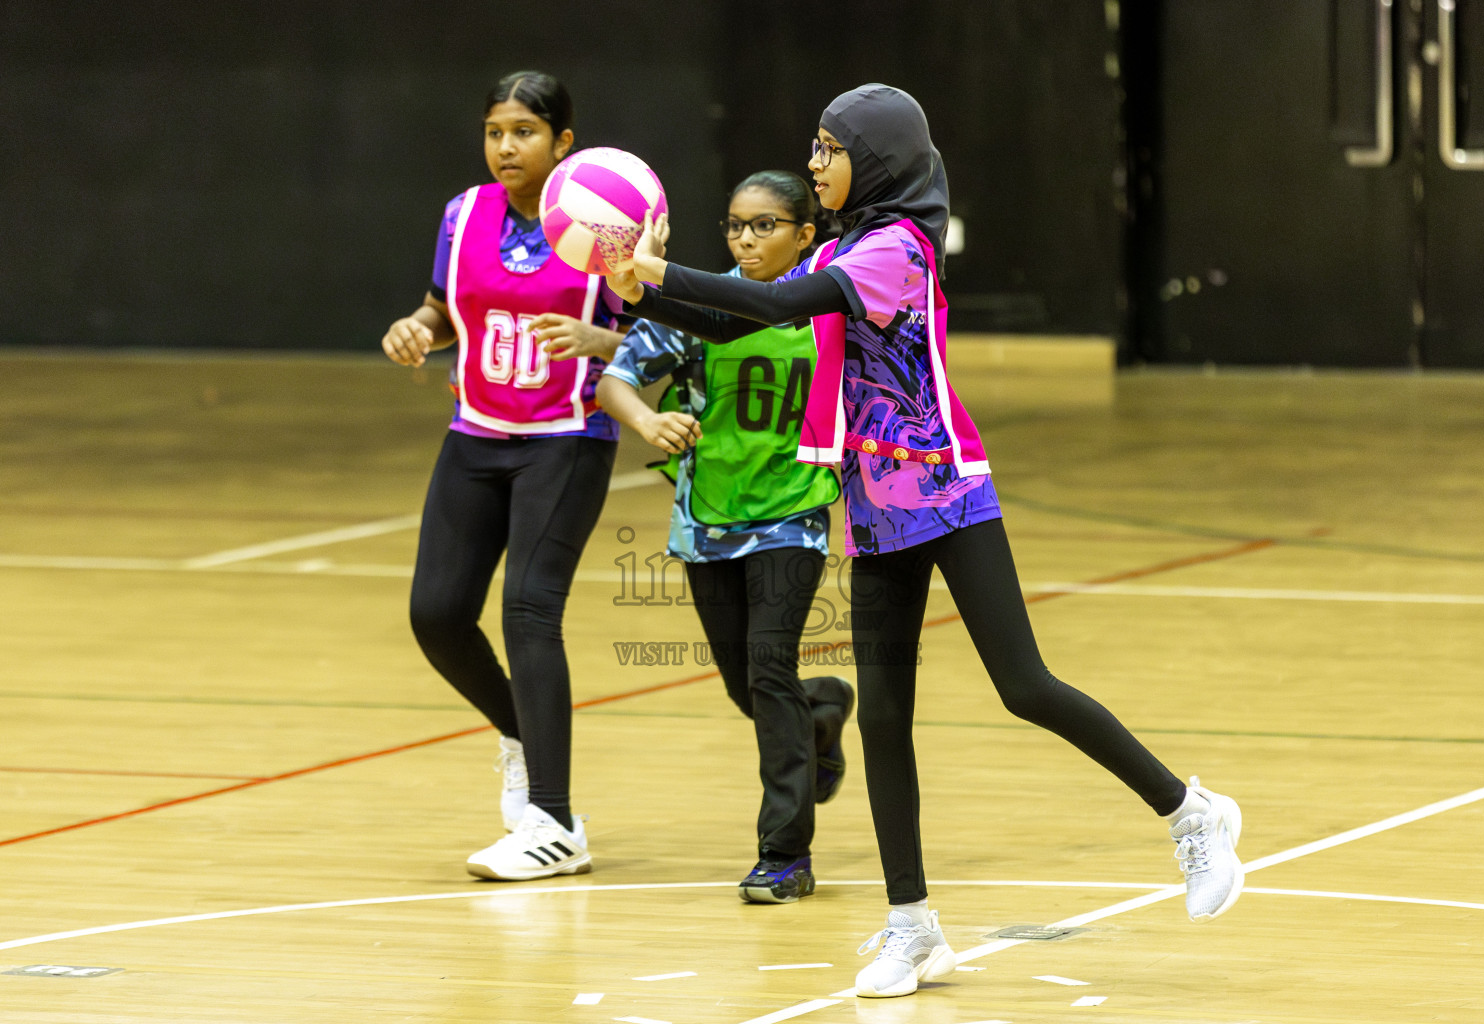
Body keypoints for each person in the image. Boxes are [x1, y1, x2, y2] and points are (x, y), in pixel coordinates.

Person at [608, 84, 1244, 999]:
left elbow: (781, 306)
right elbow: (737, 312)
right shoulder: (838, 241)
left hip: (947, 494)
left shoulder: (895, 250)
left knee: (1025, 685)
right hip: (873, 508)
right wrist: (640, 292)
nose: (815, 163)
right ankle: (912, 925)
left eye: (828, 149)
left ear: (873, 159)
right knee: (887, 719)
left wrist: (656, 276)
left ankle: (1192, 814)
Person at [381, 70, 628, 882]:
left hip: (565, 439)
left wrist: (604, 345)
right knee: (437, 615)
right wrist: (417, 329)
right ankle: (522, 735)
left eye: (524, 131)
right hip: (475, 438)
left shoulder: (606, 220)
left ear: (564, 141)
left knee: (529, 609)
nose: (506, 147)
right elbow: (442, 308)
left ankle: (554, 822)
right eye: (495, 131)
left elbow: (662, 333)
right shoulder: (465, 213)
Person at [596, 171, 855, 905]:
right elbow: (616, 379)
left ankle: (784, 855)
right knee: (750, 687)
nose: (745, 239)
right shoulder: (696, 300)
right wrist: (648, 422)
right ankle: (823, 709)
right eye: (736, 226)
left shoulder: (826, 305)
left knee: (768, 669)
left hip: (792, 513)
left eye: (765, 225)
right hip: (706, 518)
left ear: (806, 235)